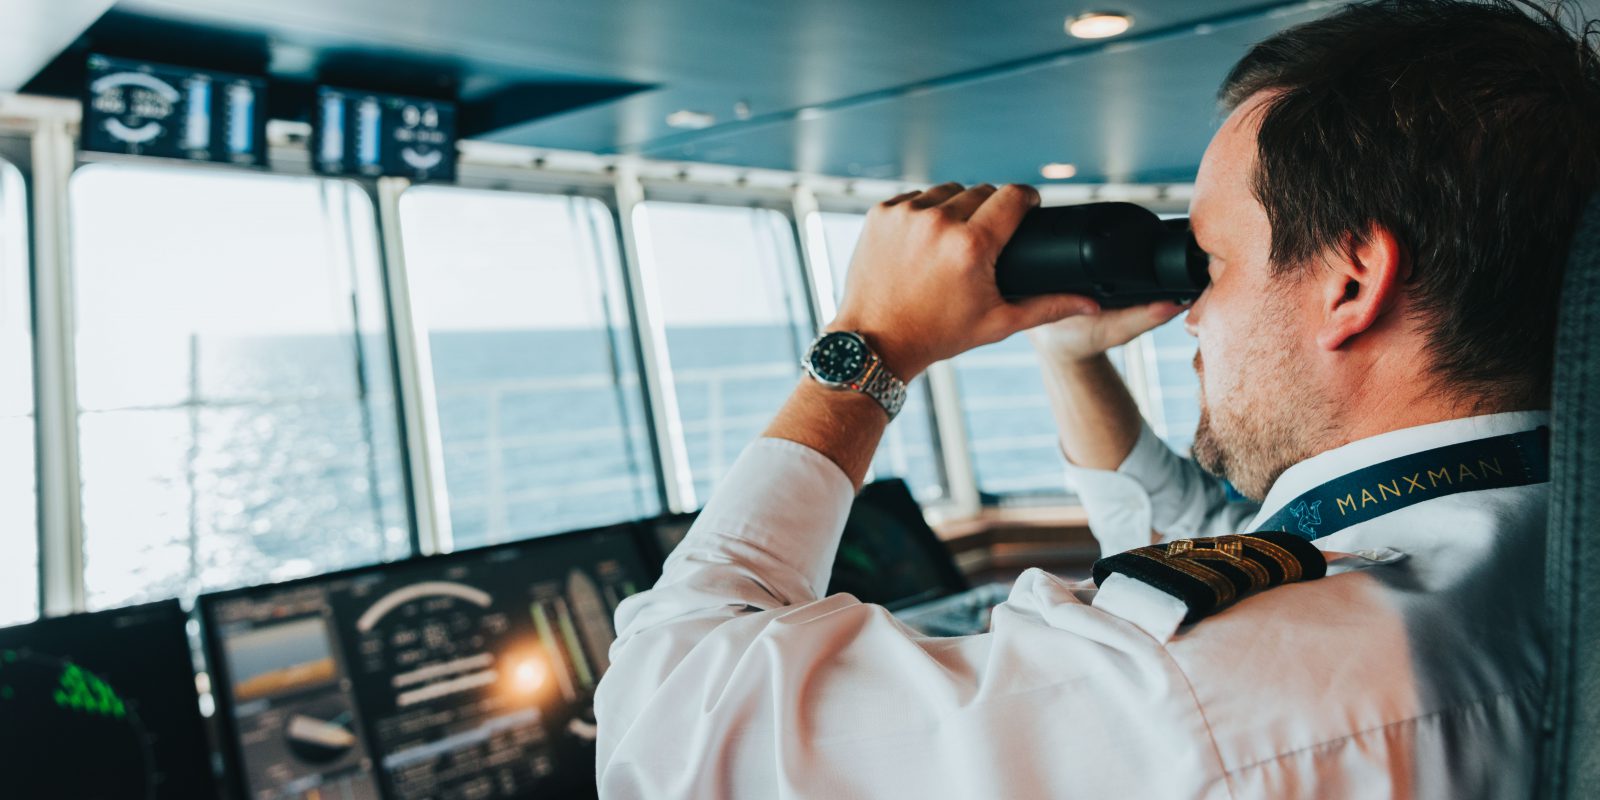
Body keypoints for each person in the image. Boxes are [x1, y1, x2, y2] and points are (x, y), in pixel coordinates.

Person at [594, 1, 1600, 796]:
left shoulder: (1198, 693)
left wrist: (875, 344)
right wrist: (1074, 359)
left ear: (1349, 280)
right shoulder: (1537, 536)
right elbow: (1232, 545)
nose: (1193, 312)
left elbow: (670, 732)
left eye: (1211, 259)